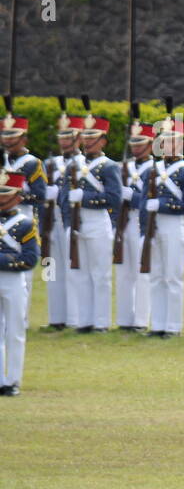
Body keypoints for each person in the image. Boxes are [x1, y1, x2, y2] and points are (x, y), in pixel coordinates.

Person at [62, 110, 121, 333]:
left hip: (97, 221)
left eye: (92, 137)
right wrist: (69, 223)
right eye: (85, 137)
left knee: (101, 274)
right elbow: (63, 196)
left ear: (103, 140)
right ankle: (84, 320)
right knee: (81, 273)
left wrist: (85, 198)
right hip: (78, 223)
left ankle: (101, 322)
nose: (87, 141)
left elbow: (114, 198)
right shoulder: (74, 165)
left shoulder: (109, 166)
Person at [142, 112, 184, 337]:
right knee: (156, 276)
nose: (168, 145)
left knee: (173, 277)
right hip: (154, 226)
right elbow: (143, 199)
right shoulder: (153, 169)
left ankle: (173, 326)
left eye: (172, 141)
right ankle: (157, 324)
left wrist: (163, 205)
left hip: (174, 225)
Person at [1, 109, 46, 310]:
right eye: (5, 136)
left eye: (13, 137)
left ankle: (22, 316)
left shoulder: (32, 164)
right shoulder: (2, 161)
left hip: (22, 218)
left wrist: (15, 196)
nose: (8, 141)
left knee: (23, 272)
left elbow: (40, 195)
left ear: (24, 138)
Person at [0, 169, 39, 395]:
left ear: (17, 196)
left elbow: (30, 259)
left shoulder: (25, 223)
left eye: (6, 193)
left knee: (15, 331)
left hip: (15, 281)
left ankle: (13, 380)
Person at [42, 103, 79, 330]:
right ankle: (55, 317)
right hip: (49, 221)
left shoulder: (83, 164)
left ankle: (74, 317)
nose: (64, 141)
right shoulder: (49, 164)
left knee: (71, 267)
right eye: (61, 137)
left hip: (68, 220)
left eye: (69, 137)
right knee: (50, 269)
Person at [115, 113, 153, 332]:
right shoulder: (124, 168)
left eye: (140, 143)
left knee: (142, 272)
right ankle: (123, 319)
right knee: (124, 272)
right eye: (133, 143)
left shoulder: (155, 169)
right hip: (125, 221)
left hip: (143, 221)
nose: (136, 147)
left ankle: (140, 319)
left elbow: (151, 200)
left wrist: (133, 197)